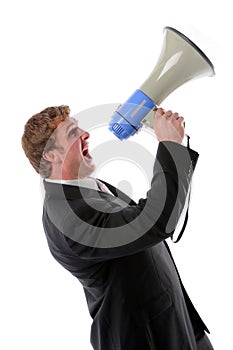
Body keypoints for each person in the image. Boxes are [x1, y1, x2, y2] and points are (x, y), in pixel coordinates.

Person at [21, 105, 214, 350]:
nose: (85, 133)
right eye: (72, 133)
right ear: (51, 155)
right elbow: (153, 222)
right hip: (147, 338)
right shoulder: (69, 218)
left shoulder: (86, 187)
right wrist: (169, 146)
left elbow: (144, 221)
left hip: (176, 323)